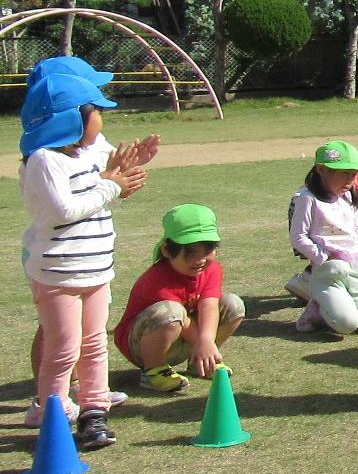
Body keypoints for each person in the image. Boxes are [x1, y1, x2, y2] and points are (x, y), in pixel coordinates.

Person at [18, 66, 148, 450]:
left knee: (94, 344)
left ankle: (94, 413)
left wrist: (124, 174)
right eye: (97, 111)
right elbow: (64, 210)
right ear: (71, 117)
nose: (103, 119)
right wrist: (112, 185)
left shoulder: (86, 155)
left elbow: (100, 190)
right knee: (63, 349)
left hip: (95, 269)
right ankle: (51, 415)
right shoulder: (44, 160)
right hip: (59, 273)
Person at [113, 205, 244, 393]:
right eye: (190, 253)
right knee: (171, 311)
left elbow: (210, 305)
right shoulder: (157, 279)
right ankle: (154, 371)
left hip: (184, 335)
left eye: (207, 250)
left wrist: (207, 341)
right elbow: (182, 320)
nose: (199, 260)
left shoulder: (212, 269)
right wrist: (203, 342)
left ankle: (200, 362)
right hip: (143, 343)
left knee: (233, 304)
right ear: (167, 250)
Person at [288, 140, 358, 335]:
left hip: (356, 271)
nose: (350, 181)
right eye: (344, 173)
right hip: (329, 272)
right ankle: (318, 308)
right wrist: (324, 257)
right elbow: (298, 236)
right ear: (322, 169)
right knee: (347, 324)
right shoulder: (307, 198)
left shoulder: (348, 196)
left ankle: (346, 301)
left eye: (353, 175)